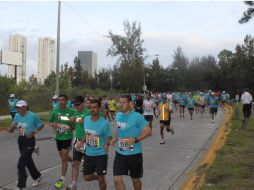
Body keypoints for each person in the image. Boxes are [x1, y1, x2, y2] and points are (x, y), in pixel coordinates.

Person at [110, 94, 151, 190]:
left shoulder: (137, 116)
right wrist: (115, 139)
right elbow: (119, 129)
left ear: (130, 103)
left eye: (123, 102)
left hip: (134, 154)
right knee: (116, 179)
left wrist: (136, 140)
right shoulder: (118, 115)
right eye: (120, 102)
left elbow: (148, 131)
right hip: (120, 153)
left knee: (135, 180)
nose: (121, 104)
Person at [6, 100, 44, 190]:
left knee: (21, 163)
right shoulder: (17, 115)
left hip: (30, 140)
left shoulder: (32, 115)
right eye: (17, 107)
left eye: (19, 107)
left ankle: (21, 185)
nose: (17, 109)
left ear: (25, 107)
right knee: (27, 160)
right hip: (21, 140)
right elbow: (13, 126)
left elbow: (41, 125)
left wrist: (34, 132)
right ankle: (37, 176)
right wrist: (9, 129)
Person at [76, 99, 112, 190]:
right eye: (90, 107)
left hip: (101, 155)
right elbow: (86, 133)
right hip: (89, 154)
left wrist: (107, 144)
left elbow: (110, 137)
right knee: (87, 177)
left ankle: (101, 178)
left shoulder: (105, 123)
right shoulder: (86, 119)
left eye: (95, 107)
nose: (92, 109)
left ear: (99, 108)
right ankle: (99, 177)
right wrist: (82, 142)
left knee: (101, 181)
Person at [49, 94, 75, 189]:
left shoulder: (71, 111)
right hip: (58, 137)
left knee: (63, 159)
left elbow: (74, 126)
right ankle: (74, 162)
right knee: (64, 156)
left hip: (67, 137)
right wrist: (54, 125)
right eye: (59, 100)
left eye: (62, 100)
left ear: (66, 101)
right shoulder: (55, 111)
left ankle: (62, 179)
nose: (60, 102)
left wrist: (70, 127)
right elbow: (50, 121)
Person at [66, 96, 90, 190]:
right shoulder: (75, 112)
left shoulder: (87, 113)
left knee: (90, 167)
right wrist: (69, 123)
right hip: (78, 140)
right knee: (75, 163)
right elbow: (72, 125)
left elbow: (85, 122)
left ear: (83, 103)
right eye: (74, 105)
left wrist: (74, 119)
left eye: (77, 105)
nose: (76, 107)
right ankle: (74, 183)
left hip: (88, 141)